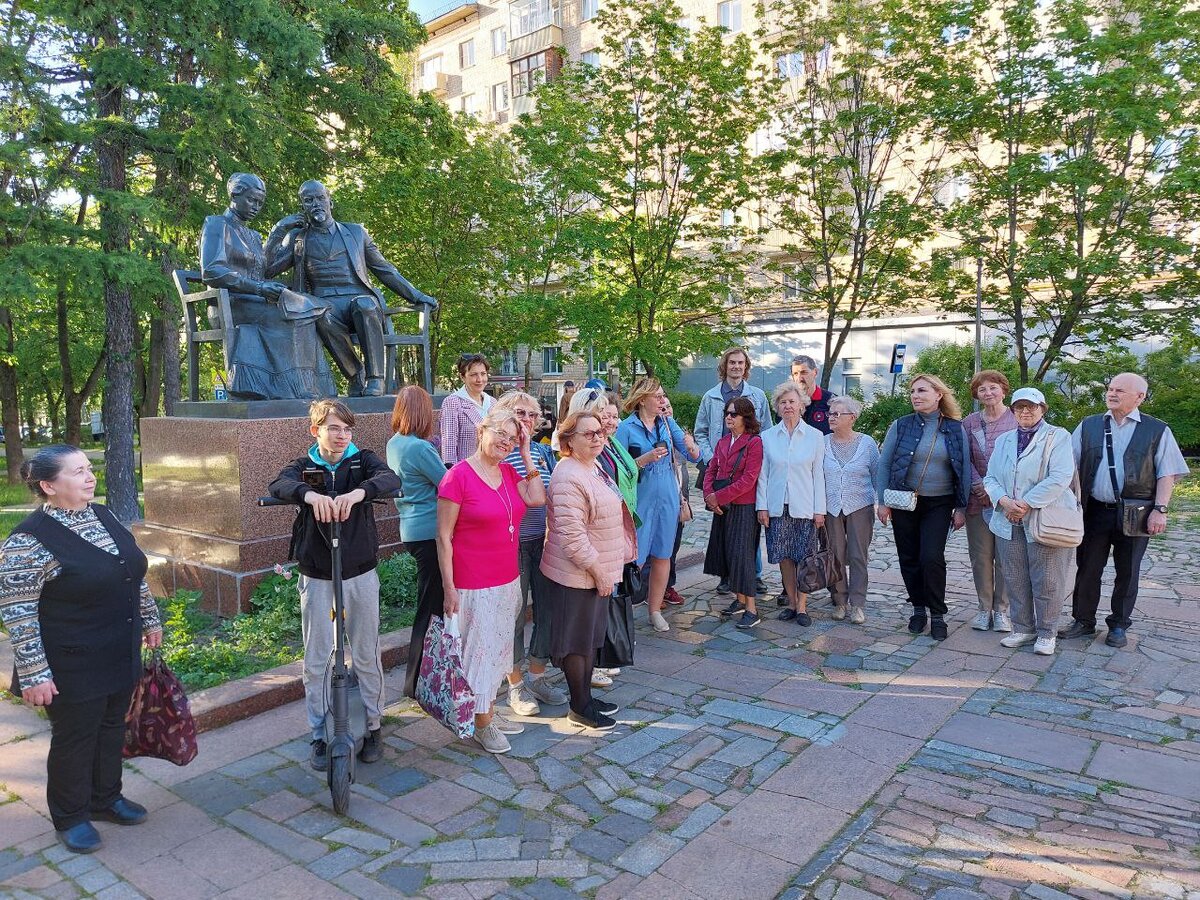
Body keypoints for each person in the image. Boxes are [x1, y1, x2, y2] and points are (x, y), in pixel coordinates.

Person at [0, 445, 162, 854]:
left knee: (111, 727)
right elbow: (18, 613)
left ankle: (106, 799)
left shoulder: (102, 514)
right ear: (49, 485)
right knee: (75, 736)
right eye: (78, 472)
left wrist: (149, 618)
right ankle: (70, 816)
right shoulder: (28, 541)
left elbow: (133, 573)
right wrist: (35, 673)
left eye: (89, 469)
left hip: (116, 648)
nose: (91, 477)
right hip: (69, 661)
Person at [270, 399, 401, 770]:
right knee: (318, 657)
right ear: (316, 431)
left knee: (365, 651)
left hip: (359, 570)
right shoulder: (304, 465)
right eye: (333, 428)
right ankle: (318, 732)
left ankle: (374, 725)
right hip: (317, 572)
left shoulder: (362, 461)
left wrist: (358, 493)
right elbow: (279, 484)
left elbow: (391, 479)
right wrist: (309, 495)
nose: (342, 436)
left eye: (346, 429)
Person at [436, 406, 546, 754]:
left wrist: (527, 452)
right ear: (481, 430)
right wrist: (449, 587)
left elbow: (538, 498)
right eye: (500, 433)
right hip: (473, 583)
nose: (506, 442)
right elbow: (442, 536)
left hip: (506, 579)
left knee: (498, 652)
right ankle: (482, 724)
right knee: (478, 654)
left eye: (512, 438)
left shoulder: (509, 474)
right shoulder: (458, 477)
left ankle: (486, 713)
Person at [266, 180, 437, 397]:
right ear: (303, 208)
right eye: (308, 201)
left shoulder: (356, 233)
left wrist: (417, 295)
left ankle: (376, 379)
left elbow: (384, 269)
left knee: (365, 305)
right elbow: (268, 270)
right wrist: (278, 231)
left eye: (320, 198)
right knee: (319, 315)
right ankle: (356, 374)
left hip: (357, 296)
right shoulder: (297, 238)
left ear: (330, 201)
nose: (316, 204)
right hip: (323, 301)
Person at [1061, 372, 1188, 648]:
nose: (1112, 393)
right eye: (1110, 388)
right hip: (1094, 511)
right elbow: (1068, 465)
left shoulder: (1157, 430)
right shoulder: (1089, 425)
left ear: (1140, 397)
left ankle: (1118, 625)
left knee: (1128, 571)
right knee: (1087, 568)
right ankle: (1083, 621)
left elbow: (1167, 474)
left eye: (1120, 390)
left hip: (1136, 512)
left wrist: (1161, 509)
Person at [199, 172, 336, 400]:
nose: (256, 207)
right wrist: (259, 289)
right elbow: (211, 270)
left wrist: (279, 230)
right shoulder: (217, 224)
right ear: (234, 194)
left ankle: (306, 389)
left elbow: (263, 270)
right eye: (252, 200)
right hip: (229, 306)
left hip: (254, 302)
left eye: (260, 203)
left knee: (305, 311)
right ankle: (290, 390)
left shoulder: (252, 235)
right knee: (294, 314)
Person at [540, 412, 637, 731]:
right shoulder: (568, 475)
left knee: (590, 639)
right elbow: (572, 536)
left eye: (599, 433)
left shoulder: (591, 465)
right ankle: (579, 706)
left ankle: (586, 699)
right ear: (568, 442)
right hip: (577, 575)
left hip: (596, 571)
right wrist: (598, 571)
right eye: (589, 434)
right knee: (576, 643)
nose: (597, 438)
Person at [982, 388, 1077, 656]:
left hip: (1044, 519)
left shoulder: (1058, 436)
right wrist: (1004, 502)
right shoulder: (1004, 440)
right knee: (1015, 577)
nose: (1025, 411)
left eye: (1031, 407)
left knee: (1047, 579)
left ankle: (1047, 632)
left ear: (1042, 409)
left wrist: (1024, 504)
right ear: (1012, 411)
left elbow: (1060, 477)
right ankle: (1023, 628)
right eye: (1019, 407)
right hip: (1007, 518)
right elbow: (990, 478)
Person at [876, 374, 971, 640]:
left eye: (922, 391)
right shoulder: (901, 425)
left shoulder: (955, 428)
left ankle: (938, 614)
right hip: (904, 501)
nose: (915, 396)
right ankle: (918, 610)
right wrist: (882, 501)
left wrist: (961, 507)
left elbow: (963, 468)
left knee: (931, 557)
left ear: (939, 394)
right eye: (913, 391)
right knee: (909, 557)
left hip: (939, 503)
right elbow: (884, 463)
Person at [494, 391, 569, 715]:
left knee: (548, 611)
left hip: (543, 540)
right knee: (513, 616)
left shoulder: (541, 452)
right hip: (511, 546)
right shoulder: (498, 453)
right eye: (519, 414)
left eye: (531, 415)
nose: (526, 420)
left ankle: (537, 675)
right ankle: (515, 685)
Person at [615, 378, 700, 632]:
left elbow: (691, 455)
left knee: (664, 555)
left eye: (663, 396)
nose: (663, 400)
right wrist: (643, 459)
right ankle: (623, 612)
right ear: (642, 399)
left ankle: (654, 610)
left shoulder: (666, 422)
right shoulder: (626, 428)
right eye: (658, 396)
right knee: (635, 560)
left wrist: (691, 445)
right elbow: (618, 469)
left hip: (668, 499)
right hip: (640, 501)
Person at [386, 386, 446, 699]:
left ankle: (418, 681)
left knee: (427, 604)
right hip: (429, 531)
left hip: (410, 529)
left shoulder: (394, 443)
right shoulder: (420, 448)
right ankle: (418, 683)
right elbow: (446, 484)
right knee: (431, 609)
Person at [756, 382, 827, 626]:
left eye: (792, 402)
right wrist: (762, 507)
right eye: (783, 402)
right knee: (784, 557)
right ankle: (791, 603)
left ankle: (804, 607)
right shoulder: (767, 437)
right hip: (777, 507)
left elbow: (819, 475)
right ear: (777, 407)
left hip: (805, 507)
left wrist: (820, 510)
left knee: (805, 557)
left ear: (802, 406)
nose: (787, 406)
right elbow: (762, 475)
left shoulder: (815, 437)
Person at [962, 370, 1017, 632]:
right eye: (982, 389)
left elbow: (1022, 461)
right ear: (976, 394)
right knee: (981, 557)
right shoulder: (969, 423)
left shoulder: (1017, 420)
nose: (988, 393)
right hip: (978, 500)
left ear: (1004, 390)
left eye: (993, 388)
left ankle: (1002, 610)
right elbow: (964, 459)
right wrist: (980, 485)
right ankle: (984, 608)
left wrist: (998, 492)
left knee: (1005, 557)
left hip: (1008, 501)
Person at [704, 396, 765, 628]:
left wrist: (717, 497)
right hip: (722, 507)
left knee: (743, 555)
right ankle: (739, 600)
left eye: (733, 414)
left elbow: (749, 479)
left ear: (745, 417)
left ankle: (751, 608)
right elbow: (712, 470)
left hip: (743, 507)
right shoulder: (722, 442)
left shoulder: (754, 443)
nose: (728, 417)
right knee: (729, 554)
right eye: (727, 414)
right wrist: (710, 497)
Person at [823, 396, 879, 624]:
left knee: (858, 556)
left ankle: (857, 604)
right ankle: (839, 602)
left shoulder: (867, 443)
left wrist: (880, 504)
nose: (832, 418)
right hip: (831, 507)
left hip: (860, 506)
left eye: (837, 414)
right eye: (831, 414)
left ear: (852, 418)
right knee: (834, 555)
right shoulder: (823, 442)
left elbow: (877, 476)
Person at [662, 396, 693, 608]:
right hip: (662, 498)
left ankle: (667, 586)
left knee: (674, 545)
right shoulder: (653, 433)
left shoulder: (677, 434)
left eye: (669, 406)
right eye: (661, 406)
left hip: (680, 497)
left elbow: (692, 455)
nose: (666, 410)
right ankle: (651, 587)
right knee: (660, 547)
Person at [439, 353, 496, 466]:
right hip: (467, 472)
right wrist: (454, 476)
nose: (479, 379)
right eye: (473, 375)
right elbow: (449, 445)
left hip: (492, 471)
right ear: (462, 377)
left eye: (483, 374)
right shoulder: (453, 402)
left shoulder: (493, 403)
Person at [791, 355, 835, 435]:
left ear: (815, 372)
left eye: (804, 372)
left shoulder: (831, 401)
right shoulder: (787, 403)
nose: (799, 378)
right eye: (795, 374)